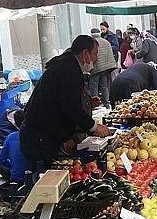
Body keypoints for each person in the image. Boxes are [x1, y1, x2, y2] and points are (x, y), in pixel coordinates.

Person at [20, 35, 111, 167]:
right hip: (39, 136)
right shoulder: (69, 69)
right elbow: (69, 106)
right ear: (85, 53)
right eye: (95, 54)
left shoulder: (66, 65)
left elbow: (61, 100)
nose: (96, 59)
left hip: (39, 132)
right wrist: (94, 127)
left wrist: (88, 103)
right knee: (45, 177)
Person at [88, 28, 116, 107]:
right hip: (105, 68)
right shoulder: (105, 41)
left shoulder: (92, 43)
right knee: (104, 85)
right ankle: (106, 103)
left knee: (94, 86)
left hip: (96, 68)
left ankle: (95, 103)